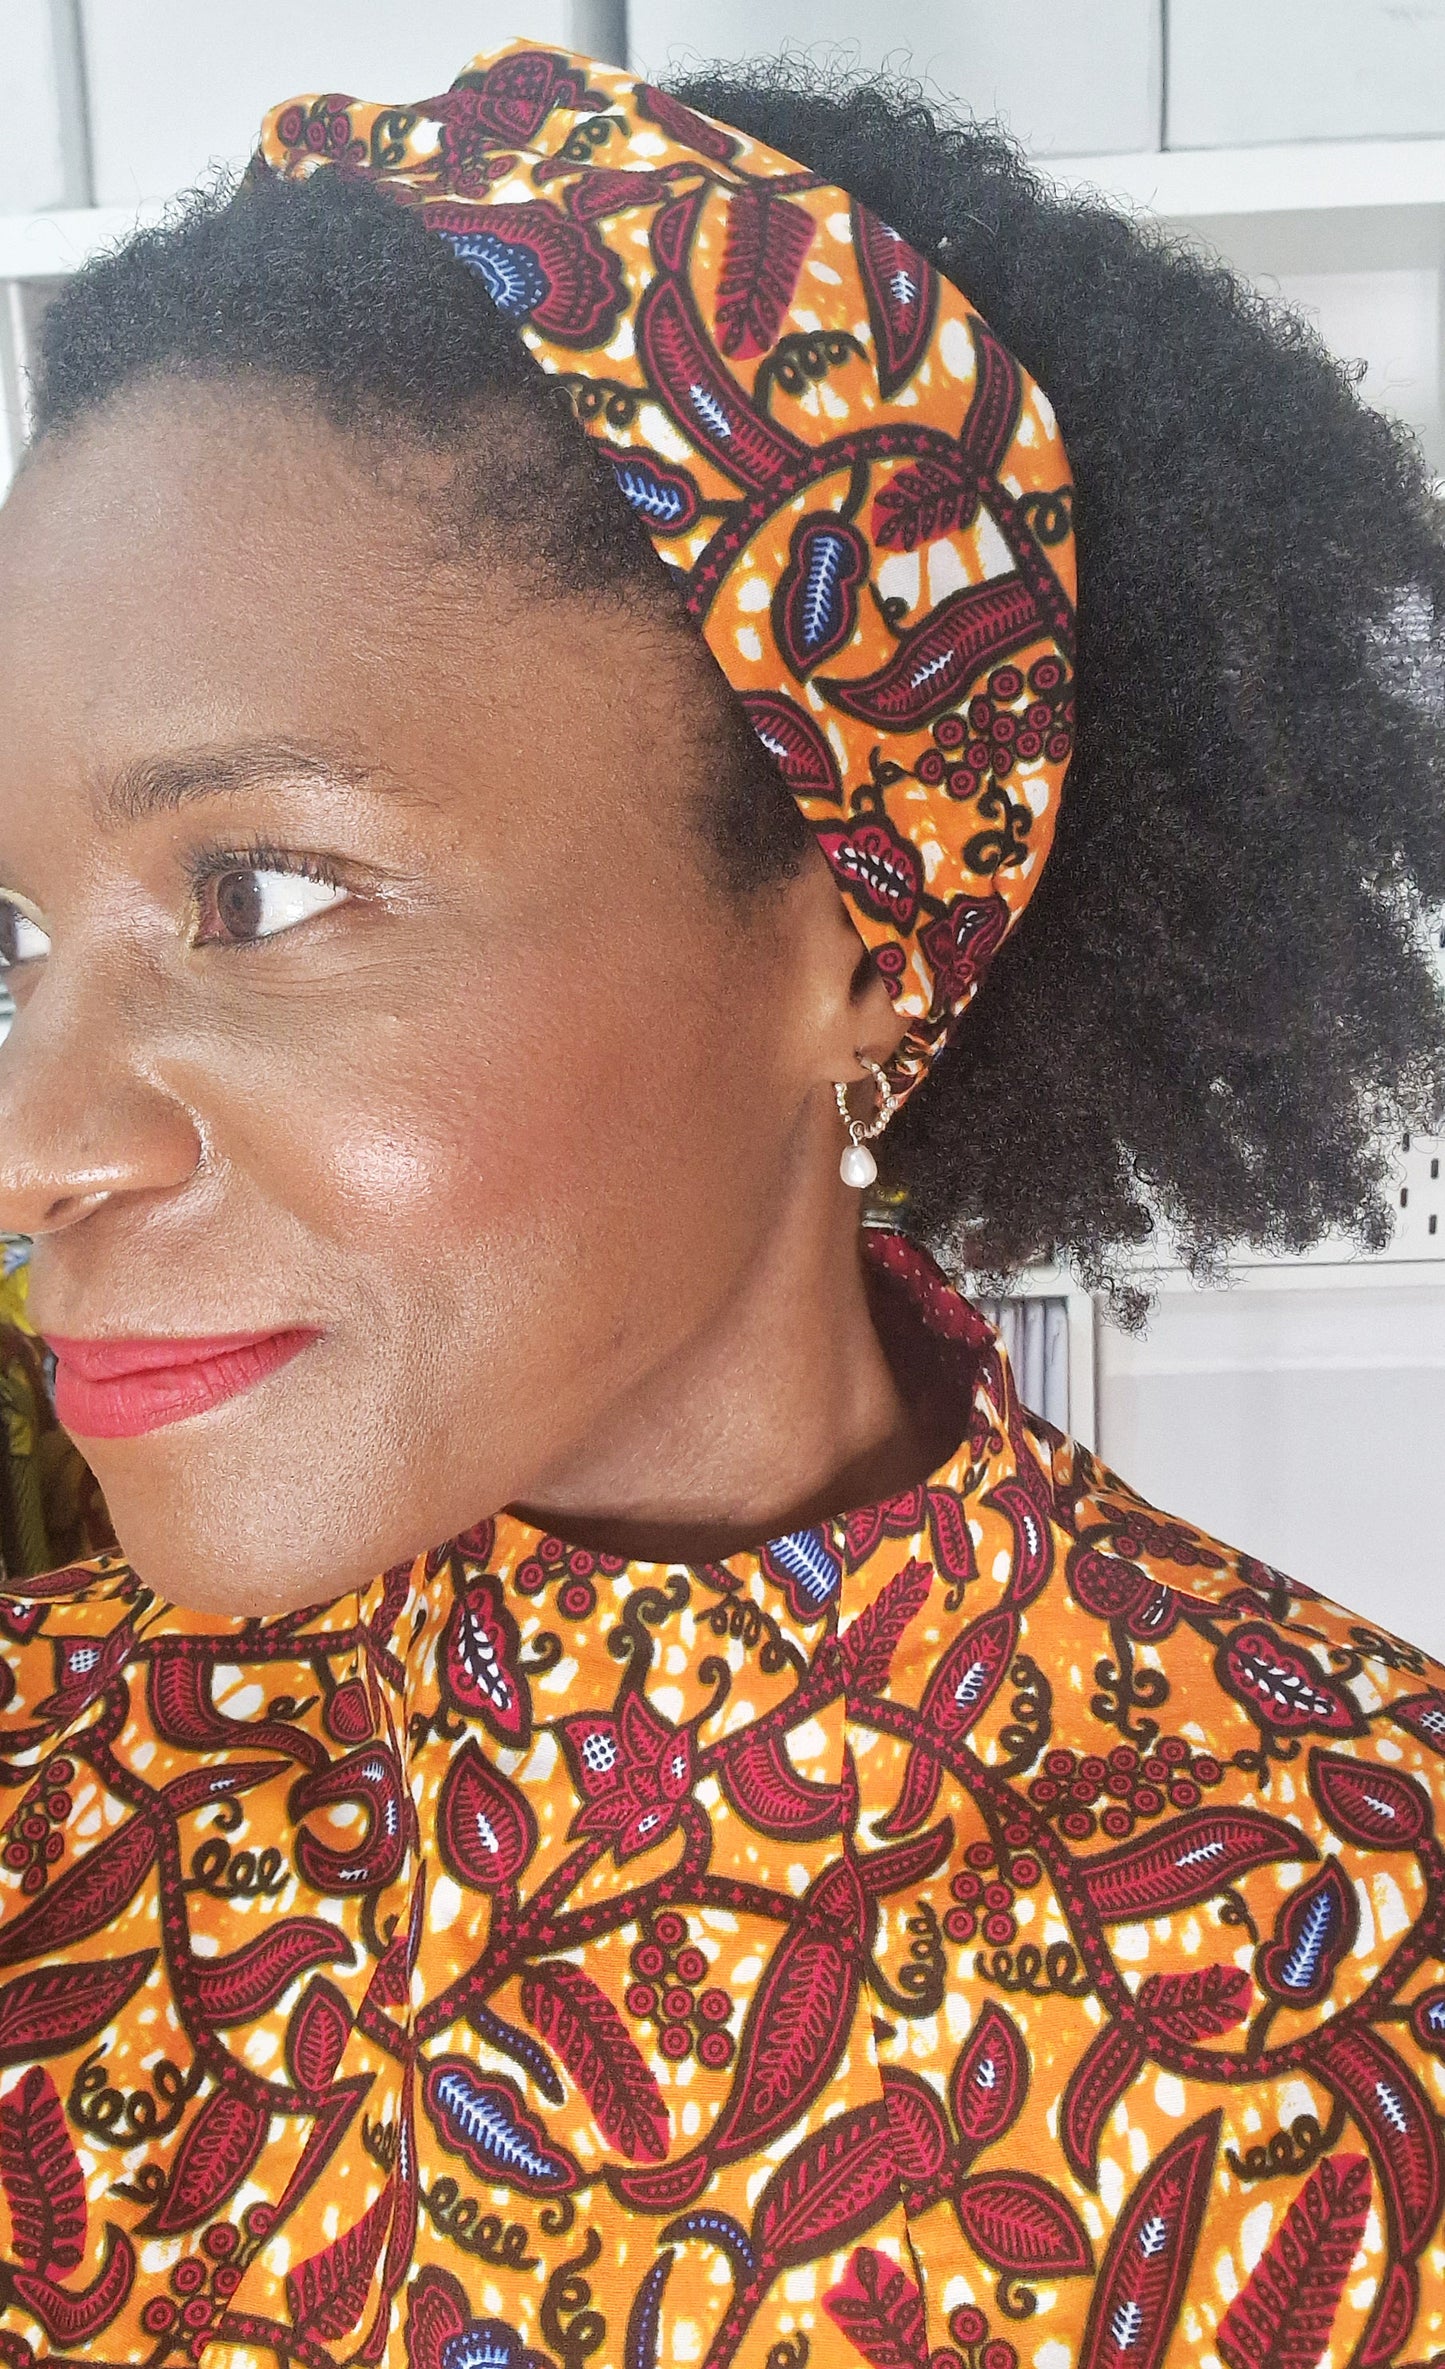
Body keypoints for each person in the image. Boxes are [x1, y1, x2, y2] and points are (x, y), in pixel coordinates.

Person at [0, 34, 1441, 2369]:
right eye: (18, 940)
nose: (31, 1143)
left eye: (260, 891)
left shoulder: (1372, 1956)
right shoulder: (40, 1832)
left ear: (850, 945)